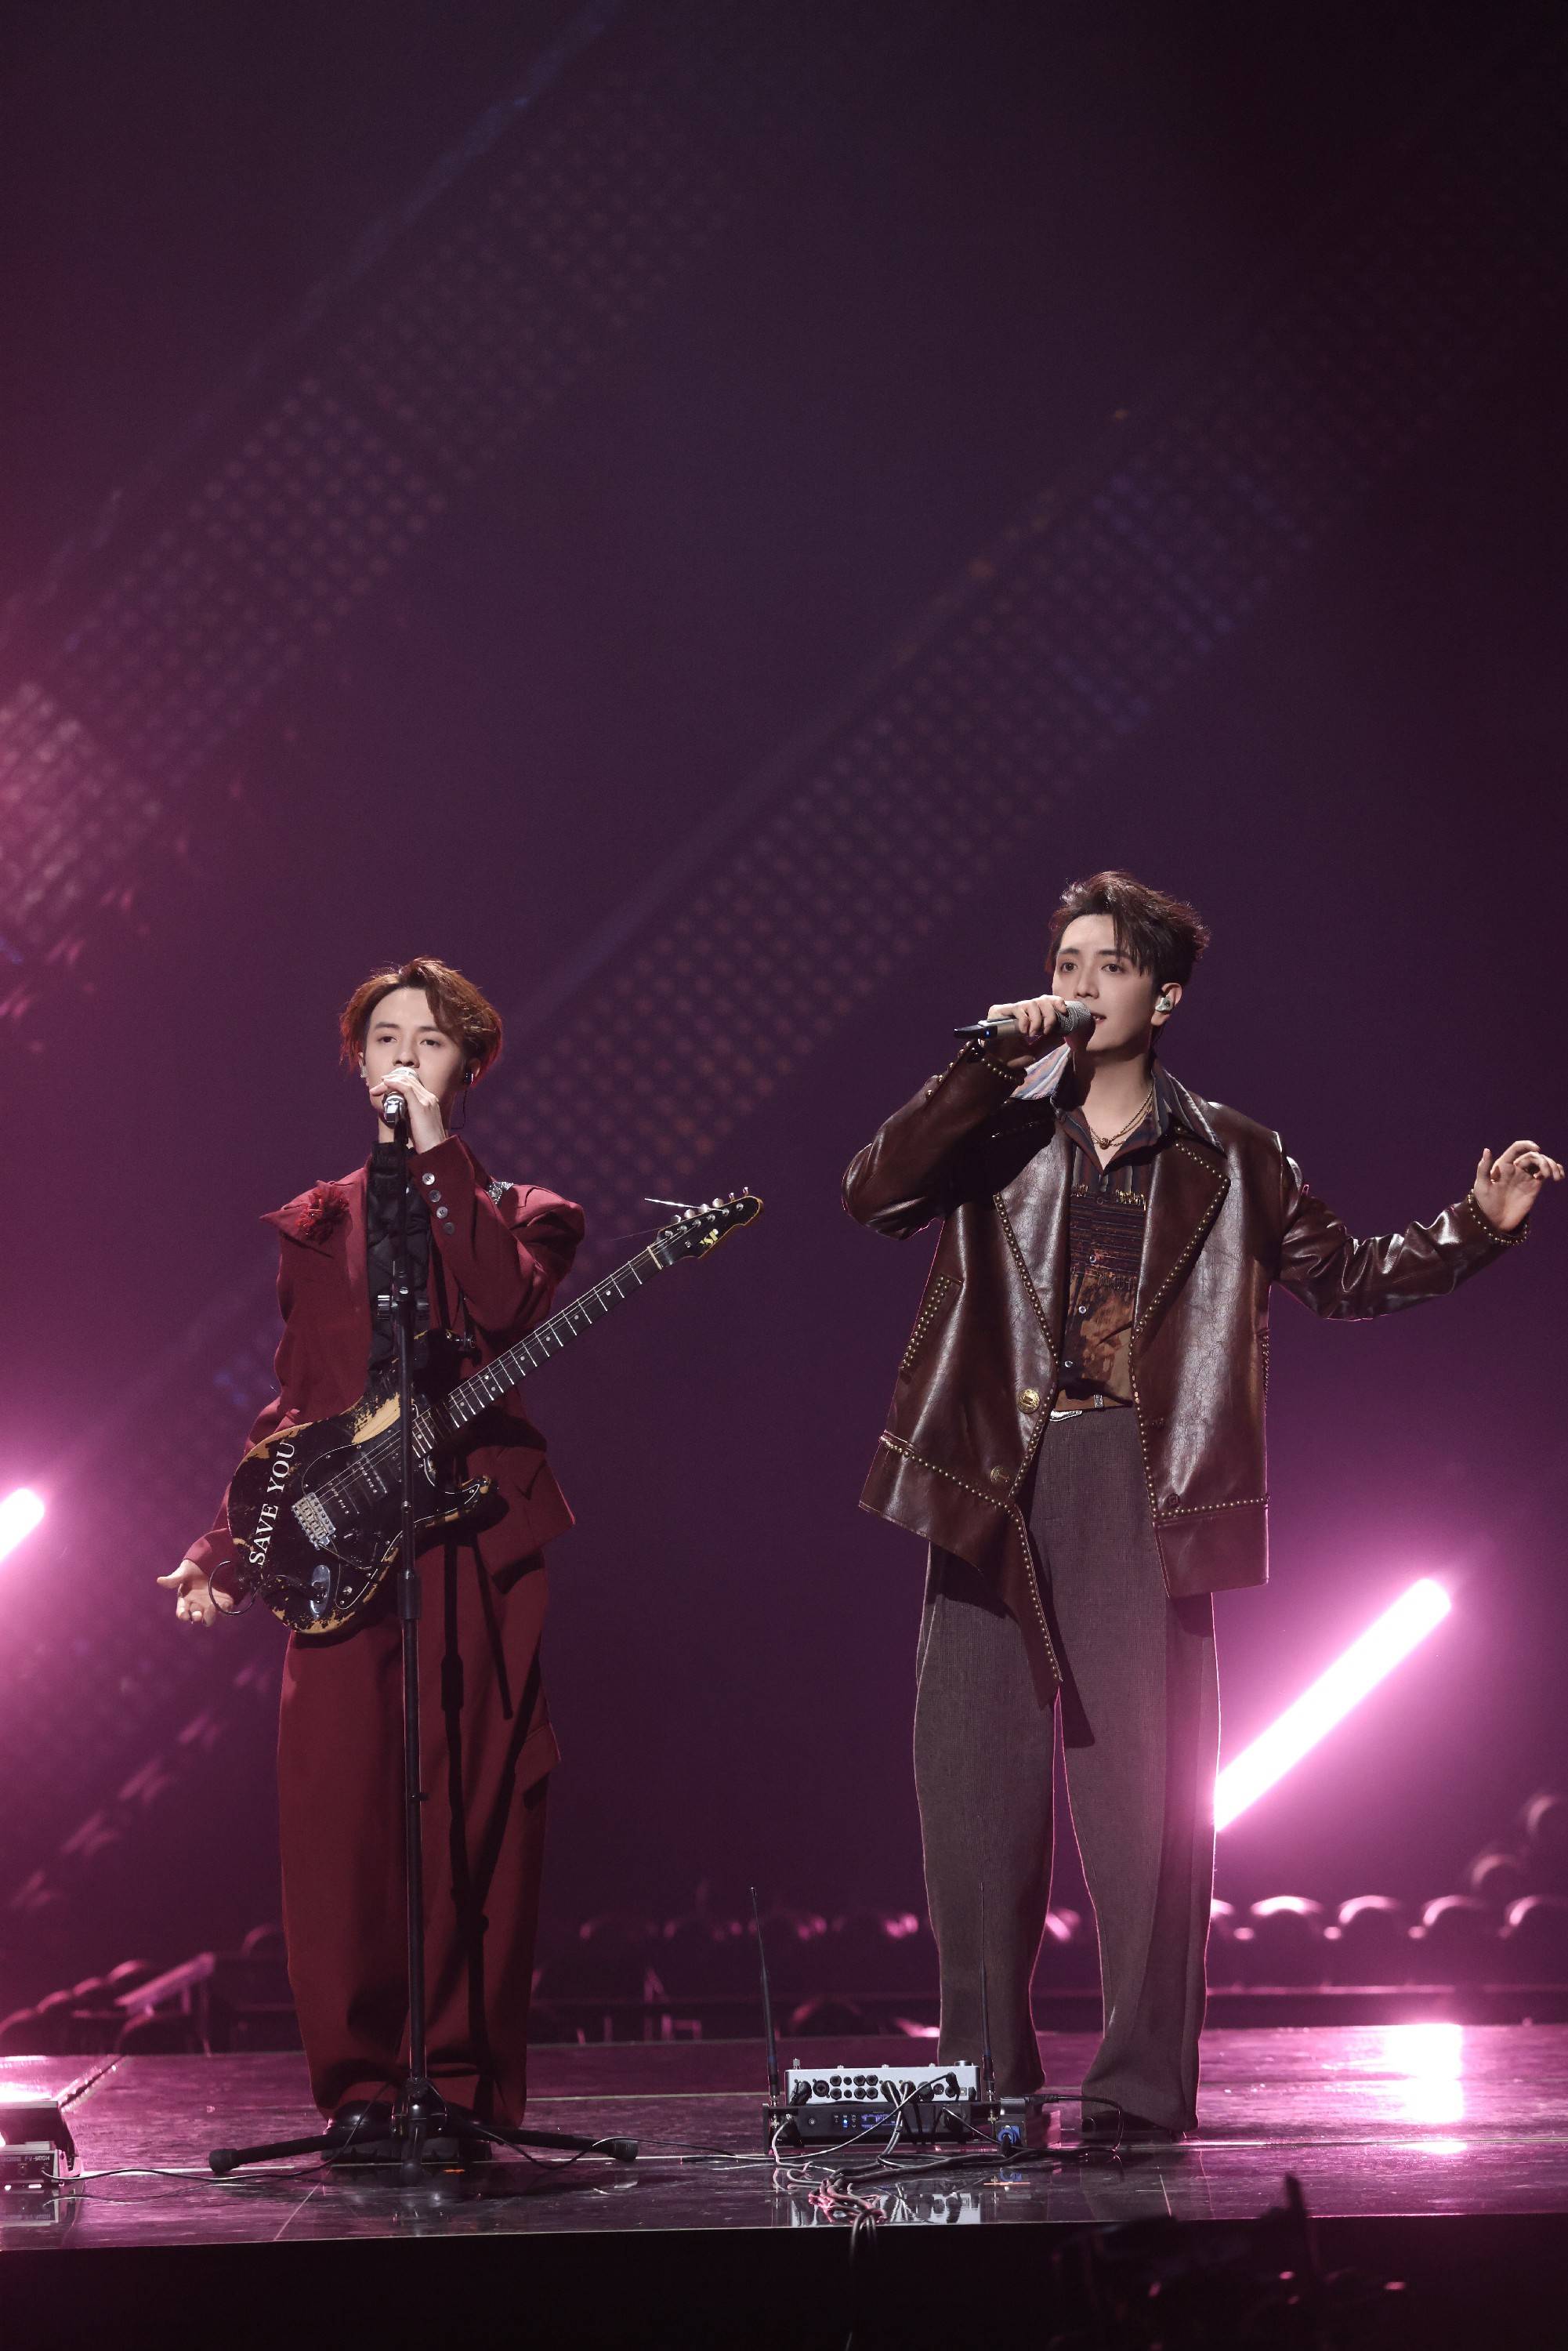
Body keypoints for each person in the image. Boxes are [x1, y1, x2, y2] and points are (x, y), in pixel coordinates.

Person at [842, 871, 1559, 2140]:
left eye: (1106, 966)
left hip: (1141, 1479)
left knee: (1146, 1812)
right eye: (1063, 963)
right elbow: (873, 1193)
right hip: (988, 1475)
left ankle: (1134, 2095)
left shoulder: (1232, 1153)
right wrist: (983, 1065)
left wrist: (1475, 1227)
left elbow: (1345, 1277)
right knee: (973, 1794)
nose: (1077, 985)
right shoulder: (995, 1122)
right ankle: (984, 2082)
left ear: (1162, 996)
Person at [160, 957, 583, 2125]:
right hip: (343, 1553)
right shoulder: (318, 1223)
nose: (404, 1056)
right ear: (356, 1064)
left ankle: (457, 2091)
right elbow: (297, 1407)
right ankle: (356, 2090)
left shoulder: (529, 1213)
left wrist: (437, 1152)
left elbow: (502, 1307)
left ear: (469, 1064)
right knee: (337, 1819)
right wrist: (226, 1547)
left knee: (468, 1818)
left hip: (468, 1542)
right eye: (386, 1038)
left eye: (430, 1040)